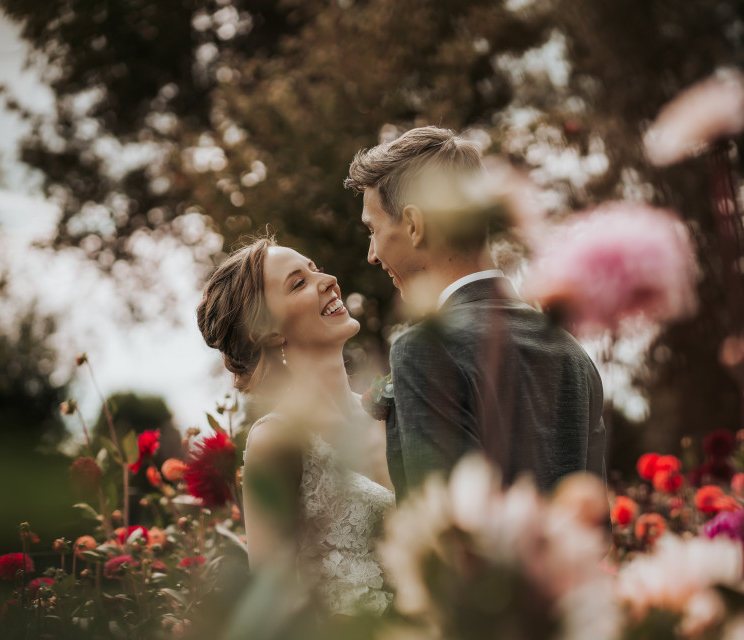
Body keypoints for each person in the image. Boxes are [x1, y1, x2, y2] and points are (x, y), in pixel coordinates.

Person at [344, 126, 607, 501]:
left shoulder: (424, 350)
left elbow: (445, 533)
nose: (372, 254)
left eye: (373, 230)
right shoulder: (571, 351)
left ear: (415, 226)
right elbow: (595, 531)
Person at [196, 237, 394, 616]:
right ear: (268, 332)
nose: (329, 280)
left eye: (315, 268)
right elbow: (274, 607)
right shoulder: (276, 440)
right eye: (298, 282)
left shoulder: (388, 412)